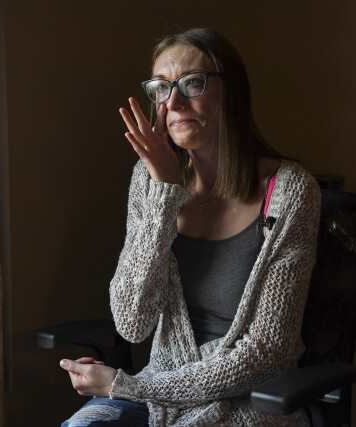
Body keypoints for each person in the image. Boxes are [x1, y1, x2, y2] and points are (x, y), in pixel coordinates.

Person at [59, 27, 321, 426]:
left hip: (250, 402)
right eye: (161, 88)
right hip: (157, 392)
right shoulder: (148, 180)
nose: (174, 102)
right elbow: (132, 322)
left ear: (231, 92)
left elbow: (267, 352)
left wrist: (128, 387)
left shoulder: (290, 190)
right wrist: (165, 192)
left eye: (192, 83)